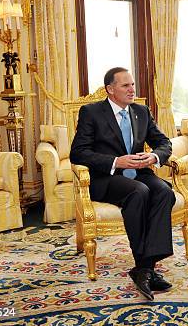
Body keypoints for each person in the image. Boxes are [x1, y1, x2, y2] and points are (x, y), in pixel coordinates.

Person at [70, 67, 175, 299]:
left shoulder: (141, 111)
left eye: (133, 85)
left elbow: (163, 141)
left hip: (139, 173)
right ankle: (145, 265)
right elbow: (78, 153)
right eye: (125, 85)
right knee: (139, 192)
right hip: (107, 178)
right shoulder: (91, 112)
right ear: (110, 89)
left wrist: (154, 156)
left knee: (165, 191)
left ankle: (144, 268)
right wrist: (117, 161)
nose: (132, 90)